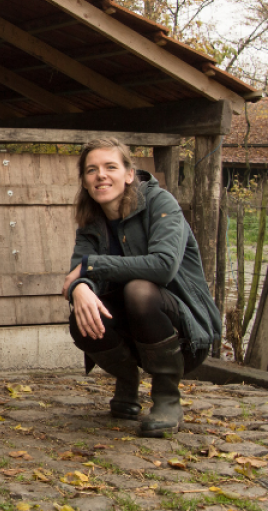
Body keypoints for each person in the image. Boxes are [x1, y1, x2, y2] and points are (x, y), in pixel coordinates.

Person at [62, 138, 221, 437]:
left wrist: (91, 267)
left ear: (129, 174)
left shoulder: (161, 204)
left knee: (139, 290)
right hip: (133, 329)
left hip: (183, 329)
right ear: (84, 181)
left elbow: (162, 266)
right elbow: (77, 272)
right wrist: (80, 288)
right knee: (81, 318)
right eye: (91, 170)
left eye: (111, 167)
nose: (101, 175)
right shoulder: (91, 222)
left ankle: (166, 398)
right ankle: (127, 379)